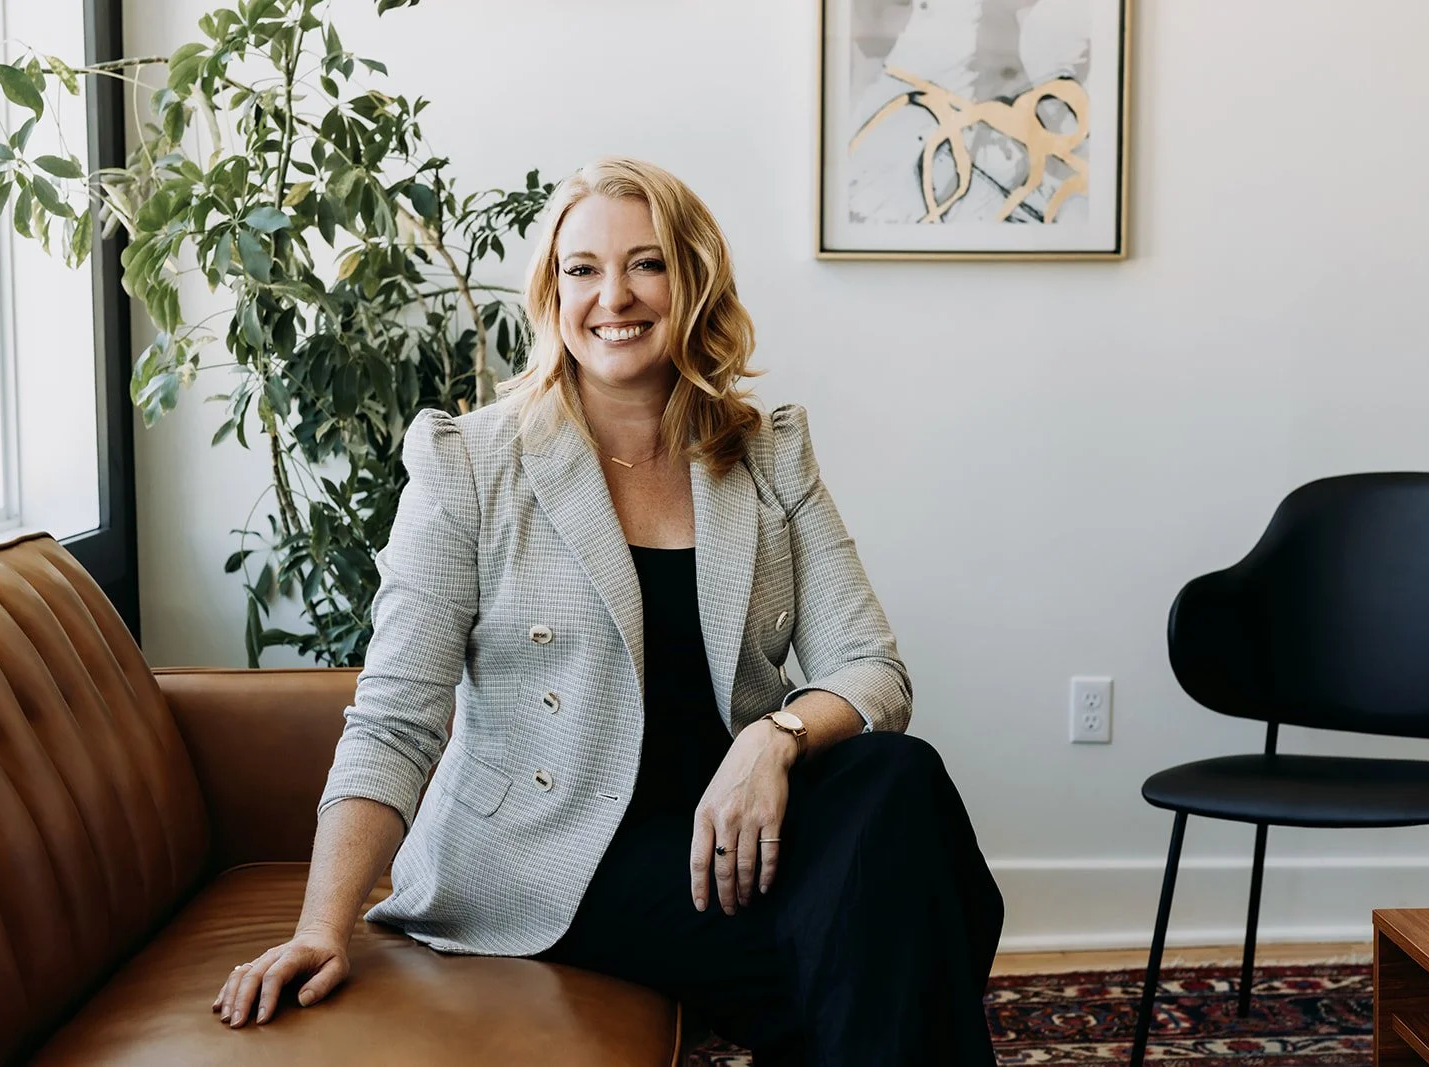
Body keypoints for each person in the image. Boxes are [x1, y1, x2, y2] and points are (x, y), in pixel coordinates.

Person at [211, 157, 1004, 1064]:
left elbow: (873, 667)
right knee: (892, 925)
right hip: (553, 852)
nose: (613, 295)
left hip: (730, 828)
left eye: (647, 263)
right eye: (582, 268)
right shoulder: (470, 462)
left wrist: (771, 739)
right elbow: (396, 719)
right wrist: (323, 924)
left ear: (692, 282)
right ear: (553, 292)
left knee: (898, 781)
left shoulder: (766, 455)